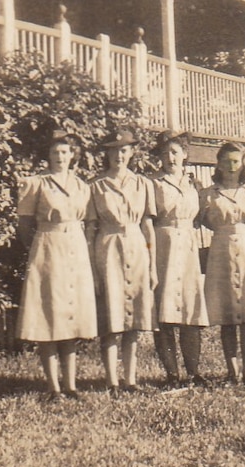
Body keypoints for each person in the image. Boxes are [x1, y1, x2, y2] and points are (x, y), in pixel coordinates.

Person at [15, 130, 97, 401]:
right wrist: (42, 248)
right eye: (55, 153)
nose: (60, 157)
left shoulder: (82, 186)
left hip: (76, 250)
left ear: (73, 155)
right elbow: (25, 227)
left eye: (65, 152)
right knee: (49, 316)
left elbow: (87, 222)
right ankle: (53, 387)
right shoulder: (36, 183)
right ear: (48, 156)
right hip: (48, 250)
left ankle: (71, 386)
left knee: (71, 316)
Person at [86, 128, 158, 396]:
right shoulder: (96, 185)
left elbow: (148, 227)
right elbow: (90, 230)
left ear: (131, 152)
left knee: (134, 320)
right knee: (111, 317)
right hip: (108, 247)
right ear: (107, 153)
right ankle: (111, 381)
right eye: (114, 150)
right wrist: (93, 270)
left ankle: (130, 380)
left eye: (124, 150)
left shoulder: (143, 184)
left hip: (137, 245)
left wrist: (151, 265)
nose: (119, 155)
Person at [199, 142, 245, 386]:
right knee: (226, 314)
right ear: (217, 163)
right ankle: (232, 370)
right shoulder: (207, 195)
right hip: (220, 250)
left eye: (235, 161)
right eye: (225, 161)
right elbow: (202, 221)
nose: (230, 166)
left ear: (242, 164)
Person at [149, 130, 209, 388]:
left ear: (185, 154)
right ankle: (172, 374)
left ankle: (193, 371)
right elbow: (148, 221)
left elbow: (203, 217)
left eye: (174, 152)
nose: (169, 157)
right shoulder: (153, 184)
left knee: (189, 309)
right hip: (163, 245)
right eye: (164, 153)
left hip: (188, 247)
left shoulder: (195, 185)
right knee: (165, 311)